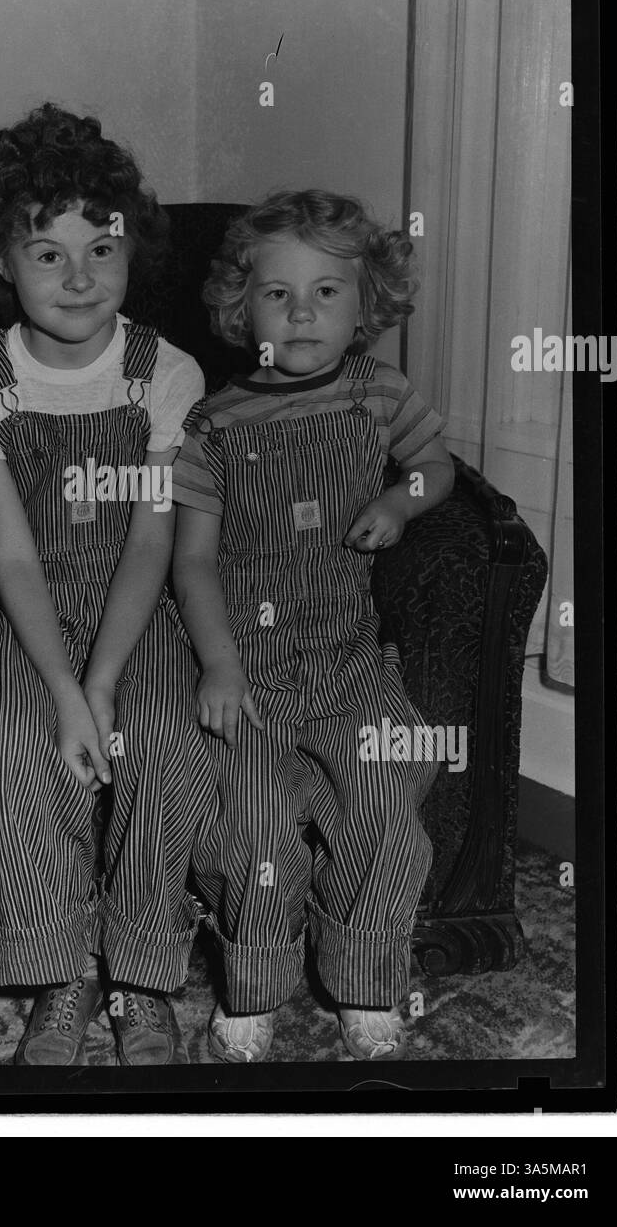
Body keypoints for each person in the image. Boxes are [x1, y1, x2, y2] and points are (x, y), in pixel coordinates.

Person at [0, 103, 209, 1066]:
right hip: (30, 613)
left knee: (168, 735)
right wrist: (62, 689)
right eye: (47, 254)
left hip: (139, 612)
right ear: (0, 265)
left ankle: (140, 972)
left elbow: (152, 546)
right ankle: (63, 973)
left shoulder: (163, 374)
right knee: (20, 736)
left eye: (102, 247)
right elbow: (11, 557)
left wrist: (103, 683)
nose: (81, 275)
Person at [171, 188, 455, 1063]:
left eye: (327, 293)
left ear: (366, 306)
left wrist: (398, 506)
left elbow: (435, 466)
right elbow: (190, 562)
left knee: (384, 793)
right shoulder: (209, 425)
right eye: (277, 293)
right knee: (251, 815)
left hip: (347, 655)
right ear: (238, 304)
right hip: (247, 663)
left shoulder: (382, 393)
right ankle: (254, 980)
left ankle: (368, 978)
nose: (301, 313)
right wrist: (219, 669)